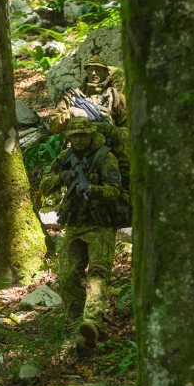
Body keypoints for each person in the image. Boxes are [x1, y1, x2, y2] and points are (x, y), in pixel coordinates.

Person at [41, 117, 123, 348]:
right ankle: (76, 324)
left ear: (90, 134)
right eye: (73, 136)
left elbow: (114, 191)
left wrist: (92, 189)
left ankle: (91, 323)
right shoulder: (65, 158)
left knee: (98, 273)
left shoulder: (105, 156)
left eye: (82, 135)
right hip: (75, 224)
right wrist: (62, 178)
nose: (78, 140)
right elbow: (44, 184)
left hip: (100, 224)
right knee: (67, 276)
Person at [49, 55, 128, 133]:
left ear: (105, 73)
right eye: (90, 69)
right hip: (76, 143)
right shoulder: (73, 95)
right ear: (86, 72)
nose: (93, 73)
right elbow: (53, 127)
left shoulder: (115, 97)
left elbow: (129, 131)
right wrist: (69, 114)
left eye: (98, 70)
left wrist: (112, 132)